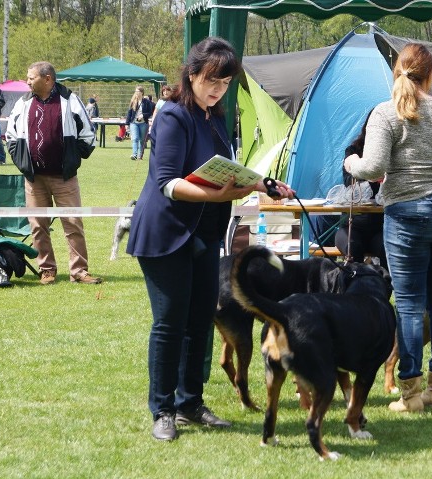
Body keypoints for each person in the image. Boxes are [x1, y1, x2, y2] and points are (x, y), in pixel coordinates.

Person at [126, 37, 294, 442]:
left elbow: (228, 169)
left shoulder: (215, 117)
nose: (217, 88)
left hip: (203, 234)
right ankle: (162, 409)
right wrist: (220, 195)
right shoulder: (171, 116)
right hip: (165, 235)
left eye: (224, 81)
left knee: (200, 321)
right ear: (191, 74)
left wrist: (263, 184)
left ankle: (190, 403)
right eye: (210, 80)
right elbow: (169, 184)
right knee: (170, 322)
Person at [344, 43, 432, 412]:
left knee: (408, 306)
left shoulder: (385, 113)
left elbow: (372, 168)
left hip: (406, 214)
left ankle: (410, 395)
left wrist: (352, 162)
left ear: (396, 73)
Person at [5, 61, 102, 286]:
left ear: (47, 79)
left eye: (31, 77)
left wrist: (72, 159)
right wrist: (22, 163)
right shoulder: (22, 103)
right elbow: (11, 135)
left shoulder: (70, 100)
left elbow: (87, 134)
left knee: (73, 223)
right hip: (34, 178)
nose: (27, 81)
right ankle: (46, 269)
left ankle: (79, 271)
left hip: (63, 177)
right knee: (38, 225)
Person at [334, 113, 386, 266]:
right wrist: (368, 174)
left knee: (387, 248)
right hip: (353, 226)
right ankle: (352, 287)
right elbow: (348, 181)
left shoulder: (391, 155)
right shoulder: (353, 151)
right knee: (353, 247)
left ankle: (383, 288)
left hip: (381, 227)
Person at [125, 86, 154, 161]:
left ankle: (140, 155)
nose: (136, 93)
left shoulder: (147, 102)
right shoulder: (133, 101)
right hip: (134, 123)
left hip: (143, 123)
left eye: (138, 91)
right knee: (135, 138)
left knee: (142, 140)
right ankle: (134, 154)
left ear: (142, 92)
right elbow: (129, 113)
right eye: (136, 91)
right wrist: (127, 124)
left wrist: (143, 115)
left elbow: (150, 112)